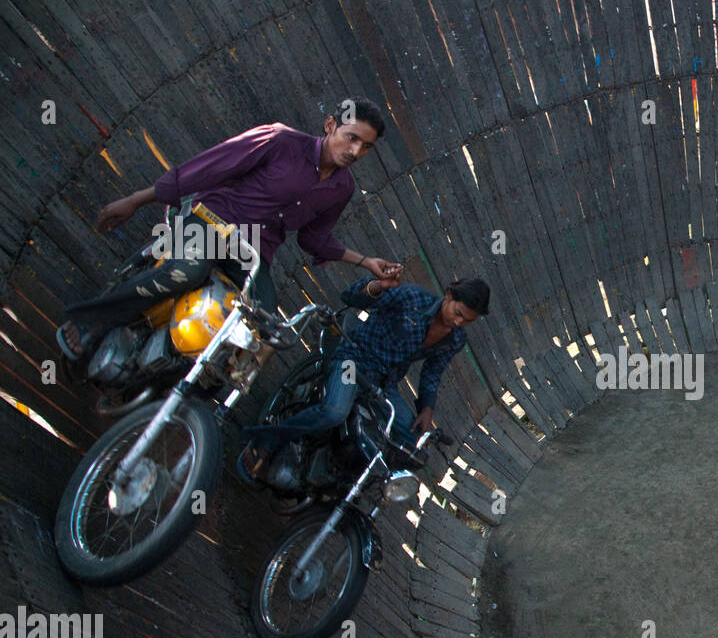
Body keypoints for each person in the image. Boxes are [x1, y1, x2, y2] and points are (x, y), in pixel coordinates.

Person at [57, 97, 403, 359]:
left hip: (253, 254)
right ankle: (93, 321)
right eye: (351, 137)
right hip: (213, 222)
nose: (355, 151)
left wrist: (365, 261)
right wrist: (137, 199)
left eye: (366, 147)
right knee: (186, 273)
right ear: (330, 125)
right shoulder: (281, 141)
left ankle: (177, 386)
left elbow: (315, 238)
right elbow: (209, 169)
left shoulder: (342, 189)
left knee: (262, 331)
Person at [236, 273, 491, 483]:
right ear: (448, 296)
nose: (459, 322)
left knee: (413, 448)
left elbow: (433, 371)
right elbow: (351, 296)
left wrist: (427, 407)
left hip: (382, 384)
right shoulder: (413, 297)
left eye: (467, 321)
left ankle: (344, 482)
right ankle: (267, 440)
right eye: (458, 313)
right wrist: (377, 285)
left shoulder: (456, 339)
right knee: (334, 411)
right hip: (354, 361)